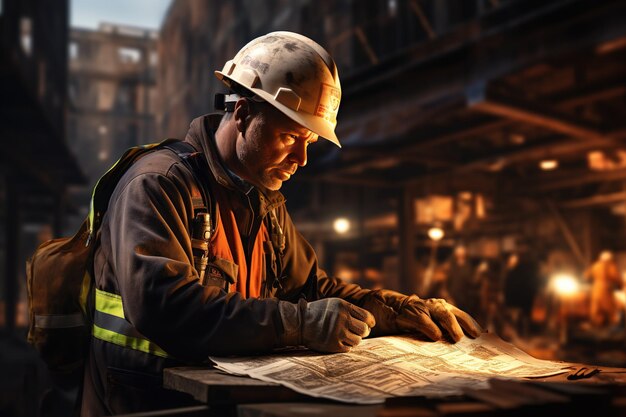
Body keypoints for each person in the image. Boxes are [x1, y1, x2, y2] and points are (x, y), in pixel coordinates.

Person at [81, 31, 482, 416]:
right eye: (291, 137)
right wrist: (301, 325)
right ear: (242, 113)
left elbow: (311, 289)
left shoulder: (261, 199)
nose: (301, 160)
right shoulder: (159, 184)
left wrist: (396, 309)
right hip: (143, 404)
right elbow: (163, 308)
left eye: (310, 142)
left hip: (214, 403)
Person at [585, 250, 622, 327]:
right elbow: (616, 277)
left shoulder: (595, 265)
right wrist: (620, 284)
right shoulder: (610, 266)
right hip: (606, 288)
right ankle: (612, 324)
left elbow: (586, 275)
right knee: (609, 307)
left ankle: (597, 323)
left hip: (595, 288)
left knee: (596, 307)